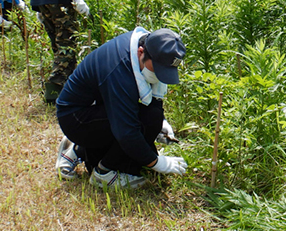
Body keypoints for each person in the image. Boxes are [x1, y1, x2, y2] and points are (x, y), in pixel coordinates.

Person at [54, 26, 188, 189]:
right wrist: (157, 162)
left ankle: (78, 150)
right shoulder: (119, 70)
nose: (160, 76)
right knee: (145, 123)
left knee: (153, 118)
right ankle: (104, 173)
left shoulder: (146, 47)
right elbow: (127, 133)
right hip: (76, 119)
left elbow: (151, 103)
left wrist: (162, 123)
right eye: (158, 70)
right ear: (141, 52)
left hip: (97, 107)